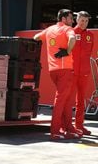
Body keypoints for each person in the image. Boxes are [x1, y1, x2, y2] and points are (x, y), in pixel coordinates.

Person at [34, 8, 81, 140]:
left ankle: (68, 129)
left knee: (66, 100)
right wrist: (67, 51)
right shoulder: (67, 29)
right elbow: (72, 39)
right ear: (64, 18)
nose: (72, 21)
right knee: (61, 100)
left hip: (53, 70)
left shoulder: (50, 29)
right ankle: (55, 131)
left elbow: (36, 37)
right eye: (71, 18)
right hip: (65, 70)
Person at [72, 11, 94, 135]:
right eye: (82, 20)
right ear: (77, 20)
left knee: (80, 100)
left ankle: (80, 125)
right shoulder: (71, 33)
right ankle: (66, 126)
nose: (84, 23)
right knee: (68, 100)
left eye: (86, 21)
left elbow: (89, 53)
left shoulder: (91, 35)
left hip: (84, 72)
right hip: (72, 71)